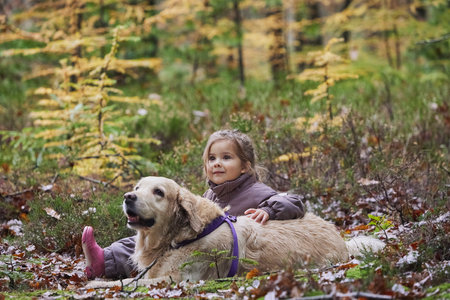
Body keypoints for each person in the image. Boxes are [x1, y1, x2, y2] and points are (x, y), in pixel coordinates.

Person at [82, 129, 305, 279]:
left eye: (226, 158)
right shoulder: (209, 196)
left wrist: (267, 210)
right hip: (202, 246)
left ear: (245, 166)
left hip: (237, 246)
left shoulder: (256, 191)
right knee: (148, 236)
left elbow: (293, 201)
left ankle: (111, 265)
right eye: (212, 158)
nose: (217, 163)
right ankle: (105, 259)